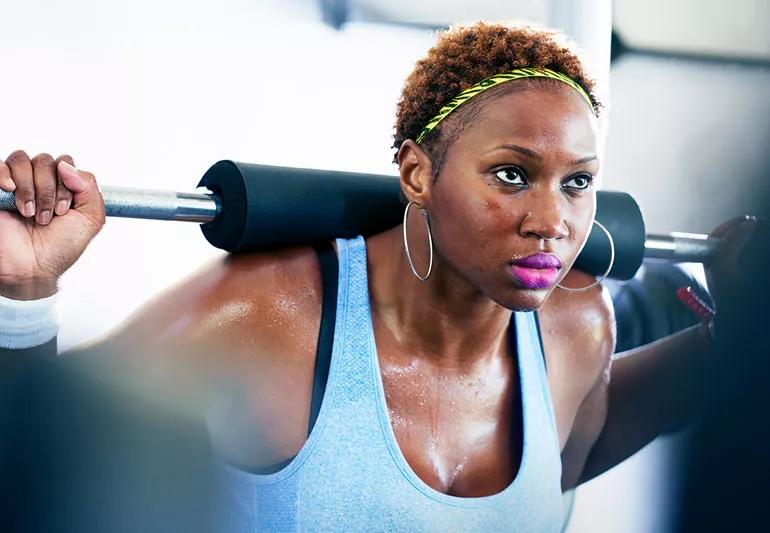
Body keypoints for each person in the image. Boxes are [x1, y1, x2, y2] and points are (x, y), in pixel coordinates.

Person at [0, 22, 762, 532]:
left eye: (576, 182)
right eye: (510, 174)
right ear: (417, 172)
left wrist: (745, 327)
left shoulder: (578, 325)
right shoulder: (268, 315)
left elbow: (568, 454)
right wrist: (26, 292)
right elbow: (44, 462)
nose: (550, 222)